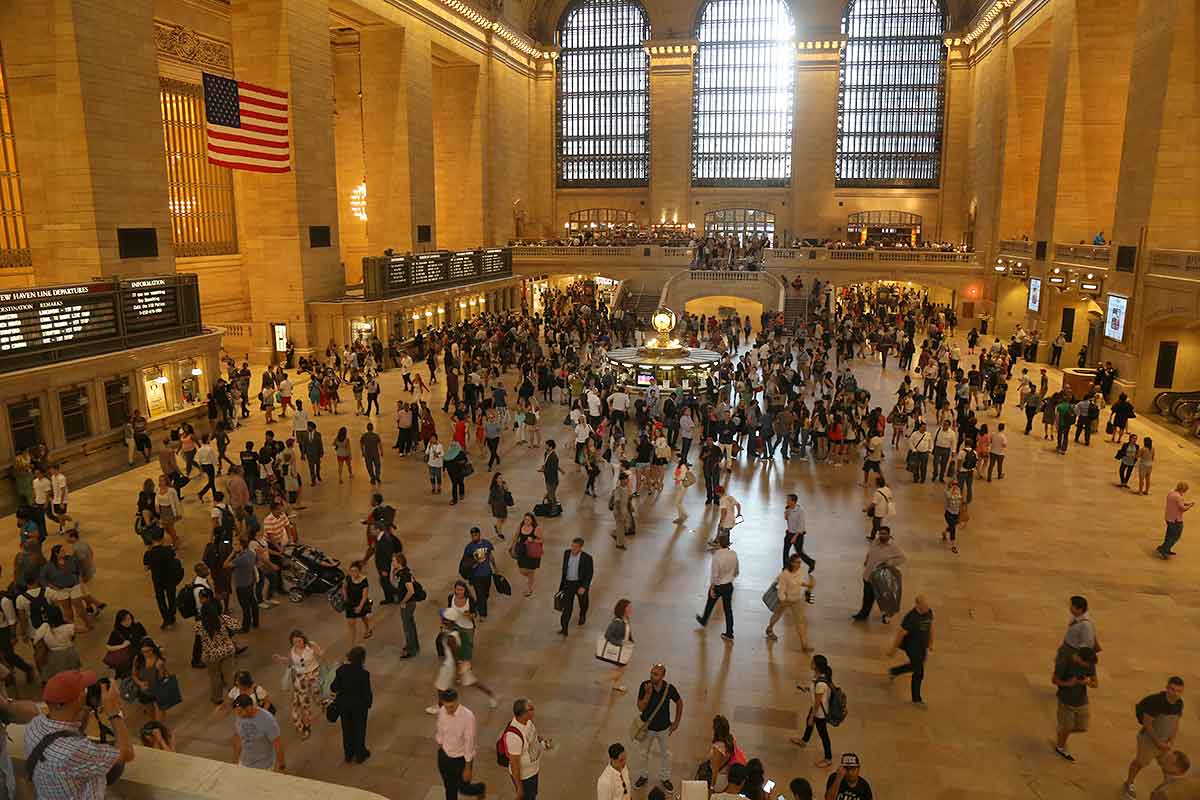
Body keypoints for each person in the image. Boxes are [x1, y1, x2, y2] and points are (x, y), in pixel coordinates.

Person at [24, 670, 135, 797]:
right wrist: (115, 711)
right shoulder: (74, 751)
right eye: (84, 689)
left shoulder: (34, 725)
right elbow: (126, 753)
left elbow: (72, 731)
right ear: (78, 699)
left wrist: (87, 705)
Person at [1124, 677, 1186, 799]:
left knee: (1169, 766)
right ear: (1167, 688)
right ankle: (1129, 783)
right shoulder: (1155, 702)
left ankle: (1165, 789)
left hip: (1165, 743)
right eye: (1172, 690)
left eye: (1179, 691)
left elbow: (1176, 722)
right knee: (1140, 763)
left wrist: (1171, 741)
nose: (1175, 694)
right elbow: (1147, 724)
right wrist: (1158, 742)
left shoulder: (1179, 703)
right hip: (1148, 741)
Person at [633, 663, 682, 793]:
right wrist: (648, 695)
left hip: (663, 728)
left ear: (663, 675)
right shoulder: (645, 686)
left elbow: (679, 702)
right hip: (647, 728)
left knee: (665, 754)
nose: (652, 676)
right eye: (651, 673)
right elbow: (640, 707)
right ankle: (643, 775)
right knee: (643, 753)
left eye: (656, 674)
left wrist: (676, 722)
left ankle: (665, 778)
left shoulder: (669, 689)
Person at [272, 630, 323, 740]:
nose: (297, 644)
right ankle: (306, 726)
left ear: (303, 639)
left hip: (314, 675)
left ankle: (324, 705)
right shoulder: (292, 651)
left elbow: (321, 654)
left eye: (299, 641)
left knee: (318, 696)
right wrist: (280, 659)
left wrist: (317, 650)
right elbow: (291, 662)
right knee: (302, 703)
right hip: (300, 679)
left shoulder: (311, 645)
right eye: (294, 642)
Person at [1053, 646, 1098, 762]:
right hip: (1065, 700)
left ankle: (1062, 731)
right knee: (1068, 726)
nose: (1088, 666)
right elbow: (1054, 680)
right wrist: (1068, 684)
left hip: (1082, 700)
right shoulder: (1064, 663)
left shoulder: (1090, 663)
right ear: (1078, 658)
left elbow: (1095, 683)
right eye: (1086, 663)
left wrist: (1087, 682)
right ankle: (1060, 746)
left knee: (1082, 727)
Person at [852, 528, 906, 623]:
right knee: (867, 596)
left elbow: (902, 558)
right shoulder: (875, 542)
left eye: (884, 534)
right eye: (880, 533)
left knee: (884, 597)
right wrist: (867, 559)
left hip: (880, 579)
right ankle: (863, 613)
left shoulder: (893, 547)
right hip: (868, 575)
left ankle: (886, 615)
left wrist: (891, 562)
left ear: (889, 535)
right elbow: (870, 552)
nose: (882, 535)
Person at [887, 594, 934, 704]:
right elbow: (900, 634)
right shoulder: (911, 618)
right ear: (917, 605)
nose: (927, 609)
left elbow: (931, 627)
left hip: (922, 647)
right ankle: (916, 699)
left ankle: (895, 671)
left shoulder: (929, 612)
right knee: (919, 671)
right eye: (924, 606)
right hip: (912, 647)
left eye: (927, 606)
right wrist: (893, 650)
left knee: (915, 665)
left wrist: (931, 642)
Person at [331, 645, 373, 764]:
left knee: (347, 729)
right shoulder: (364, 674)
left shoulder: (341, 670)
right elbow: (367, 692)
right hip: (359, 707)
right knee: (359, 730)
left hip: (344, 705)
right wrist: (368, 704)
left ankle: (348, 754)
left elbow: (334, 687)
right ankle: (360, 754)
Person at [504, 697, 551, 800]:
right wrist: (519, 788)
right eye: (531, 709)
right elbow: (514, 764)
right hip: (525, 777)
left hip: (533, 771)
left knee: (532, 796)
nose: (534, 710)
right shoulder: (514, 737)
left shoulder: (528, 722)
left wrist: (543, 743)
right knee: (527, 797)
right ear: (523, 713)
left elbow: (533, 737)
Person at [435, 688, 477, 800]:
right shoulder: (442, 711)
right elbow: (440, 731)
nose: (449, 710)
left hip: (460, 759)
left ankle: (480, 789)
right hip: (444, 756)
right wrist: (440, 749)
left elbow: (469, 743)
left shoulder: (468, 717)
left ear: (457, 700)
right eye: (446, 706)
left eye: (452, 707)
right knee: (450, 788)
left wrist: (468, 768)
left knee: (464, 788)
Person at [196, 597, 239, 705]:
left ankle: (217, 698)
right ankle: (234, 698)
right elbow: (237, 625)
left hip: (212, 655)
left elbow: (199, 636)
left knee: (215, 677)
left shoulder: (199, 625)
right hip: (227, 651)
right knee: (230, 676)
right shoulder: (223, 619)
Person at [792, 654, 834, 766]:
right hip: (816, 709)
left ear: (816, 666)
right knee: (808, 723)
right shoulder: (819, 676)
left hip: (819, 713)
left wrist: (812, 717)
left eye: (812, 662)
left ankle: (828, 758)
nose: (810, 663)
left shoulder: (820, 683)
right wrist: (807, 688)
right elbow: (816, 691)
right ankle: (804, 741)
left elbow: (817, 702)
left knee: (823, 734)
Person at [765, 553, 813, 650]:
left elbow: (799, 582)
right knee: (777, 615)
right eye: (797, 562)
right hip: (786, 600)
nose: (799, 564)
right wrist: (782, 601)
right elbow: (781, 590)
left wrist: (806, 585)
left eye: (800, 562)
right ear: (791, 563)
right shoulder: (785, 575)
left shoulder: (800, 571)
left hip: (797, 600)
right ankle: (769, 628)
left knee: (800, 622)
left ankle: (804, 644)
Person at [695, 534, 738, 641]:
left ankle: (704, 620)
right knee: (728, 610)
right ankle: (729, 633)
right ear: (728, 543)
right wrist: (730, 577)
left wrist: (712, 587)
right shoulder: (733, 554)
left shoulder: (717, 556)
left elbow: (715, 574)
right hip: (729, 586)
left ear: (719, 544)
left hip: (719, 586)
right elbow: (737, 572)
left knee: (710, 602)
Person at [231, 694, 286, 771]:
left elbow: (277, 743)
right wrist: (236, 760)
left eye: (240, 712)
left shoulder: (267, 719)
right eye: (237, 712)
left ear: (249, 708)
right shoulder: (239, 716)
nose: (238, 715)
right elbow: (238, 737)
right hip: (244, 763)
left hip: (264, 767)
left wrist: (281, 766)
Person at [142, 530, 180, 630]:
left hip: (157, 580)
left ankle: (166, 620)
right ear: (162, 538)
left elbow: (146, 568)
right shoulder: (168, 550)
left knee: (161, 599)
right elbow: (174, 558)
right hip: (170, 578)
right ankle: (172, 616)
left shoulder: (148, 554)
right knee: (171, 596)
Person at [556, 537, 593, 637]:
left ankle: (582, 614)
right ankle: (564, 628)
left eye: (575, 547)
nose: (573, 548)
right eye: (572, 546)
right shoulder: (566, 553)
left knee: (583, 602)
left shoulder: (587, 558)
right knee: (567, 607)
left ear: (581, 547)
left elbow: (589, 574)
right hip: (568, 584)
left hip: (580, 584)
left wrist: (584, 587)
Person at [598, 598, 633, 693]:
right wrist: (619, 643)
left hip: (625, 647)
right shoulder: (617, 622)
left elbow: (627, 632)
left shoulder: (626, 619)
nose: (631, 609)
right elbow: (607, 635)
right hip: (619, 648)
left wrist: (630, 642)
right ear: (623, 609)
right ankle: (604, 678)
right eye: (628, 607)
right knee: (622, 668)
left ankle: (616, 685)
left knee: (621, 668)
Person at [463, 527, 496, 619]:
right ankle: (483, 614)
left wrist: (495, 568)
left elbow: (491, 556)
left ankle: (478, 604)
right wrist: (471, 565)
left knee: (485, 594)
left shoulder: (487, 543)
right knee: (480, 594)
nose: (474, 537)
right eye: (472, 536)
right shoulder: (469, 547)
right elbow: (465, 561)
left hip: (487, 573)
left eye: (476, 535)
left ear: (479, 534)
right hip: (476, 575)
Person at [392, 554, 421, 657]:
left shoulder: (405, 575)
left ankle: (411, 650)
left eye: (394, 561)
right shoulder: (401, 573)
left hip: (408, 604)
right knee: (410, 625)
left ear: (399, 562)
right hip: (408, 604)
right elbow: (394, 584)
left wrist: (403, 602)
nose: (392, 563)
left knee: (408, 627)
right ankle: (413, 645)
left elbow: (411, 591)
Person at [1157, 482, 1193, 559]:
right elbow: (1182, 508)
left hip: (1169, 517)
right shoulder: (1178, 497)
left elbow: (1178, 504)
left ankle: (1165, 548)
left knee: (1169, 534)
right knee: (1175, 536)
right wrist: (1190, 506)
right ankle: (1164, 550)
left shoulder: (1171, 493)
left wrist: (1186, 503)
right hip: (1175, 519)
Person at [343, 561, 374, 646]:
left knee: (363, 617)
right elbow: (344, 586)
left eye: (355, 571)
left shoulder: (364, 580)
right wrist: (345, 596)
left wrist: (360, 607)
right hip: (350, 603)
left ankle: (368, 628)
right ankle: (352, 644)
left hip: (360, 603)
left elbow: (365, 596)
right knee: (351, 623)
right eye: (351, 571)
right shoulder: (348, 577)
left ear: (359, 571)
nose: (353, 573)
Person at [513, 513, 544, 597]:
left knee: (530, 572)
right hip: (522, 551)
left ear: (532, 520)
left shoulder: (536, 529)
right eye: (525, 519)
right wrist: (513, 546)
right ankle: (530, 577)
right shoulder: (521, 526)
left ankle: (529, 589)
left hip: (532, 553)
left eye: (528, 520)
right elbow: (516, 537)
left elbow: (541, 540)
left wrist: (533, 540)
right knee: (521, 570)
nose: (526, 521)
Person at [610, 472, 634, 549]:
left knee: (623, 527)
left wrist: (630, 507)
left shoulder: (626, 488)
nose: (627, 480)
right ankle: (619, 544)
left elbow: (627, 500)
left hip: (624, 511)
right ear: (622, 480)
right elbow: (617, 502)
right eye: (626, 479)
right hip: (619, 512)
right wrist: (620, 513)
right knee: (621, 528)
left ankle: (615, 534)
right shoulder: (618, 489)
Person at [489, 473, 512, 541]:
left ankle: (496, 526)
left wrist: (506, 489)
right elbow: (491, 498)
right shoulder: (494, 488)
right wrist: (493, 506)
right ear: (495, 479)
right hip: (497, 506)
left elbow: (506, 493)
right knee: (500, 519)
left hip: (503, 505)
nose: (501, 479)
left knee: (504, 518)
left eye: (501, 478)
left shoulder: (503, 485)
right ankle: (499, 534)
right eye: (499, 478)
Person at [540, 440, 563, 507]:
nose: (545, 446)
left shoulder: (554, 457)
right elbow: (547, 464)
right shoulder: (546, 454)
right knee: (550, 493)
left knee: (551, 494)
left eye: (546, 445)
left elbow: (553, 469)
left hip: (552, 479)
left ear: (550, 447)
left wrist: (543, 470)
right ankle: (551, 505)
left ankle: (554, 507)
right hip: (547, 478)